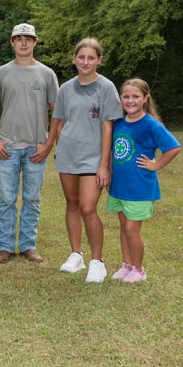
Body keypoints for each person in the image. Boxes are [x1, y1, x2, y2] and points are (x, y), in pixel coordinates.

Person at [0, 23, 59, 264]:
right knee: (7, 199)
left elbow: (56, 111)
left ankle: (28, 245)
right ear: (12, 43)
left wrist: (48, 143)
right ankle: (5, 247)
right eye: (19, 38)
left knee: (32, 199)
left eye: (28, 38)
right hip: (7, 148)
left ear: (35, 42)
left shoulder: (47, 74)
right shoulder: (1, 73)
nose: (24, 43)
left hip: (36, 148)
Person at [50, 38, 122, 282]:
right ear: (74, 59)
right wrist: (60, 147)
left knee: (88, 207)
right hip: (68, 156)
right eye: (81, 57)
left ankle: (97, 261)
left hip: (94, 159)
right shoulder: (66, 88)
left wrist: (104, 164)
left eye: (91, 58)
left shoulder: (106, 88)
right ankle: (76, 255)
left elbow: (107, 128)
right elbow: (58, 121)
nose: (85, 62)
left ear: (99, 60)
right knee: (72, 204)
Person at [106, 78, 181, 282]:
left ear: (145, 99)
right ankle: (127, 264)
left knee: (132, 228)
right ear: (120, 98)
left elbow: (173, 147)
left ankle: (139, 269)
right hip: (119, 186)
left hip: (139, 186)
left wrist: (155, 165)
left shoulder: (151, 125)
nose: (130, 101)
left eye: (136, 96)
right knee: (123, 226)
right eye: (126, 96)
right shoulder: (118, 123)